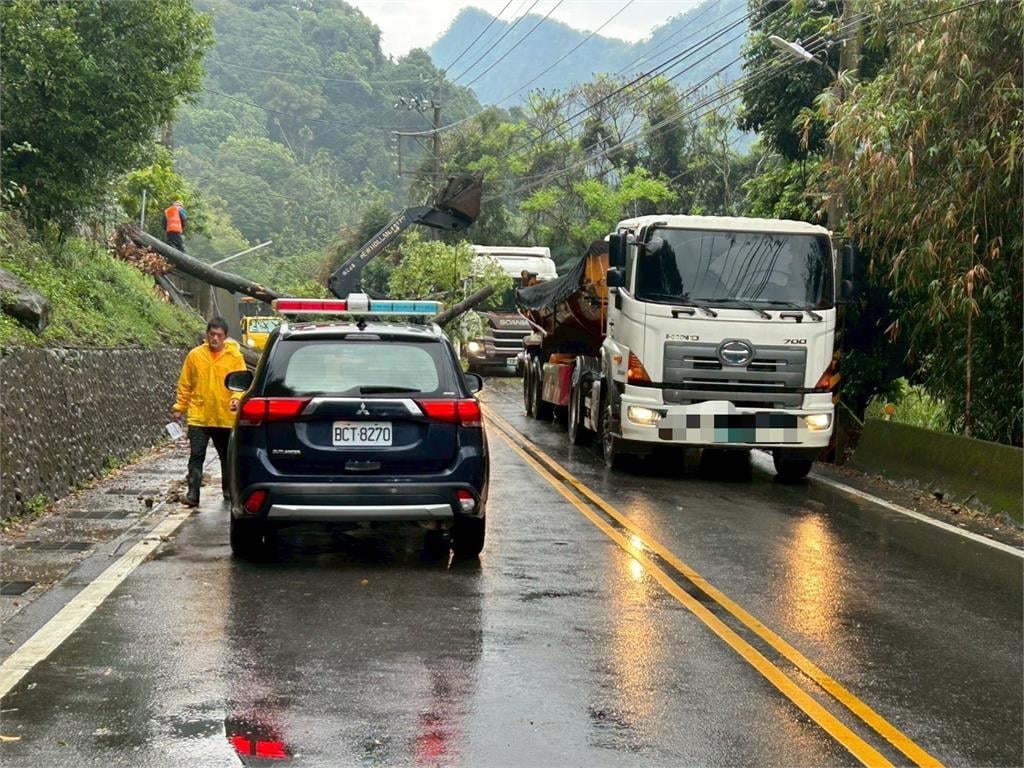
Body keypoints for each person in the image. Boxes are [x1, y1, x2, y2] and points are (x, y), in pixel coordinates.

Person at [171, 317, 247, 506]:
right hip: (199, 416)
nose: (214, 338)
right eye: (211, 334)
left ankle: (229, 492)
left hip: (224, 416)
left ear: (225, 337)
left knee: (226, 457)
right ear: (206, 335)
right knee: (196, 456)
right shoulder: (195, 355)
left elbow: (241, 384)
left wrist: (236, 400)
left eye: (219, 335)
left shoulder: (235, 357)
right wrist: (179, 407)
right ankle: (193, 495)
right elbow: (185, 384)